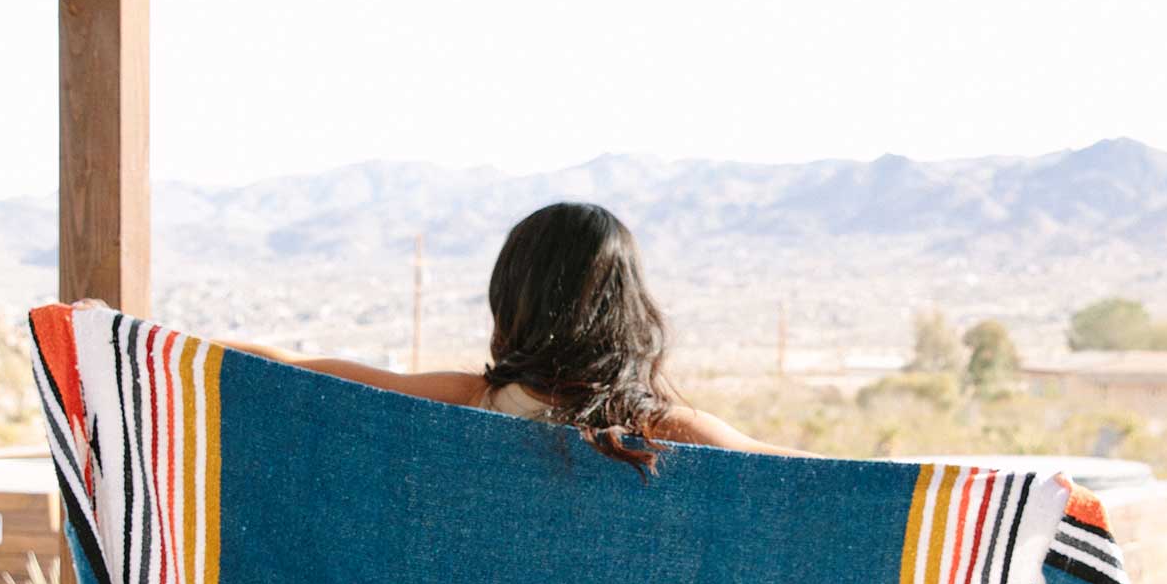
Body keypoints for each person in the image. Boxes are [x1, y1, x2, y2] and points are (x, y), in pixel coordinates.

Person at [260, 200, 780, 464]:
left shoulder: (463, 399)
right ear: (628, 308)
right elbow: (832, 487)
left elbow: (283, 370)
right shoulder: (667, 432)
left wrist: (178, 350)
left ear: (510, 297)